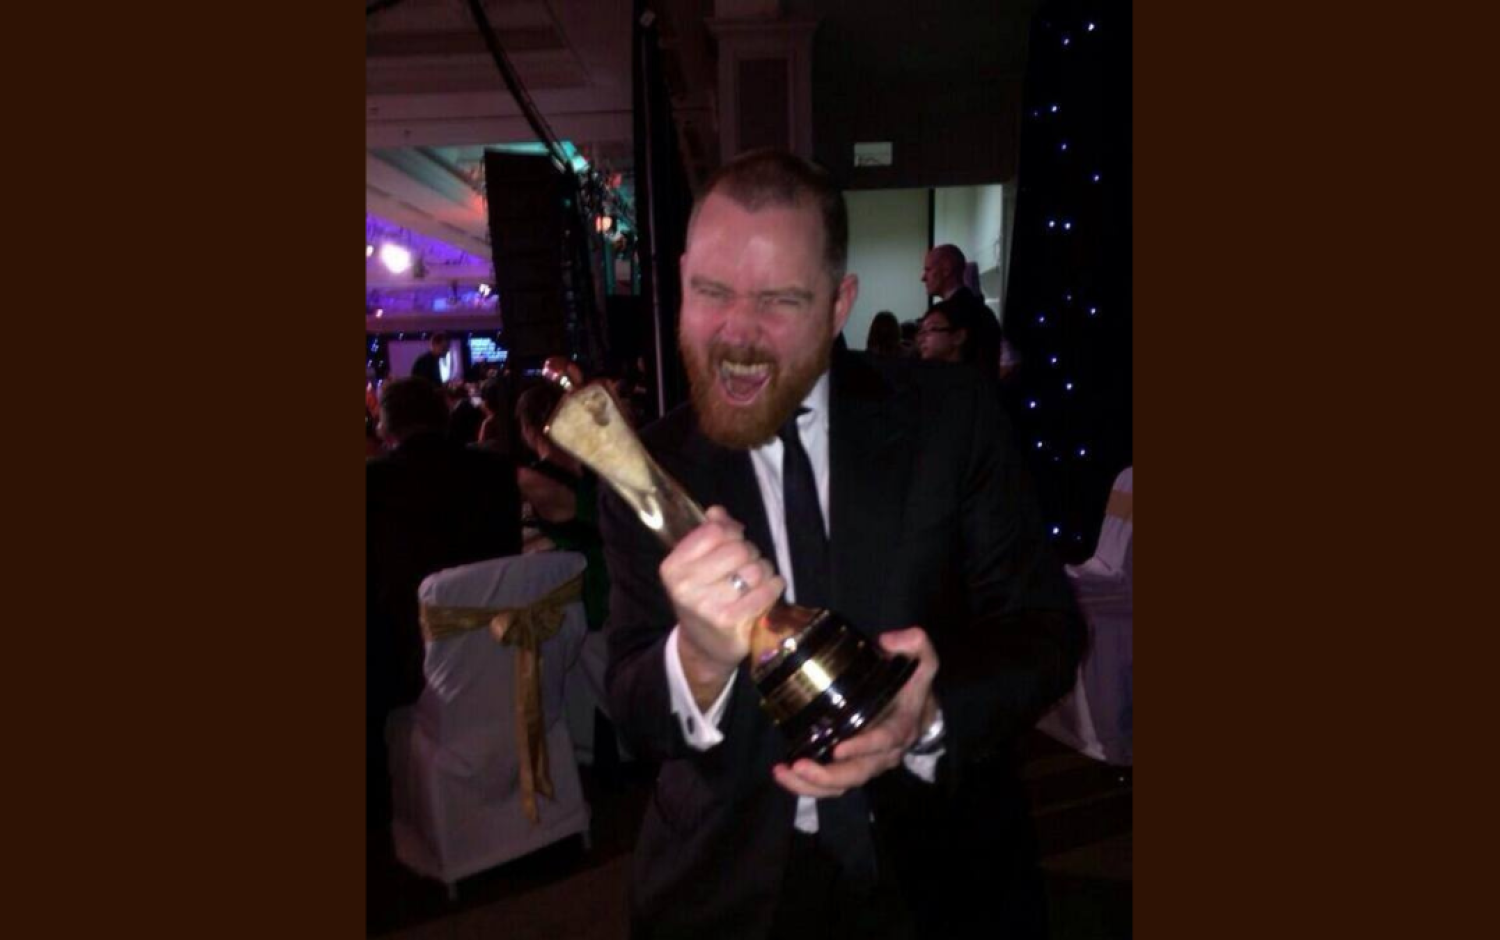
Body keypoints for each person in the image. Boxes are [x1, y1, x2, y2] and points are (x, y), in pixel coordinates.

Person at [597, 149, 1084, 939]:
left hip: (943, 876)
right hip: (724, 888)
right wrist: (697, 660)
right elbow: (632, 701)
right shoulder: (645, 466)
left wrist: (927, 716)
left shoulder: (951, 419)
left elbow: (1046, 630)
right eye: (711, 291)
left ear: (838, 303)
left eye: (780, 301)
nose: (736, 334)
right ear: (680, 278)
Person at [366, 377, 523, 828]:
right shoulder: (494, 471)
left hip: (412, 668)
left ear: (386, 426)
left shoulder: (374, 484)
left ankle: (381, 817)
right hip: (505, 651)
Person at [922, 245, 1002, 382]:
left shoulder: (945, 314)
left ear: (946, 270)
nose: (923, 277)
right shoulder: (984, 312)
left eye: (928, 270)